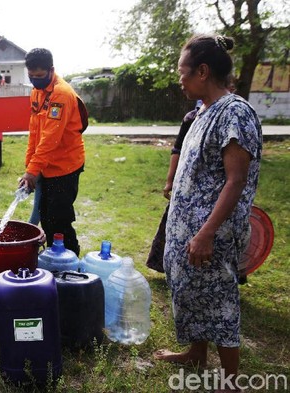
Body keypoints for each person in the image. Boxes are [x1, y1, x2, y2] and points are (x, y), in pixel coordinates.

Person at [154, 35, 262, 391]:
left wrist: (206, 233)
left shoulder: (235, 112)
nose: (180, 80)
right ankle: (195, 353)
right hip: (186, 226)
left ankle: (230, 381)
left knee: (219, 299)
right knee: (188, 290)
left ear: (203, 71)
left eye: (183, 73)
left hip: (212, 232)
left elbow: (236, 180)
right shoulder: (201, 111)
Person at [18, 48, 86, 254]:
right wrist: (30, 167)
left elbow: (50, 139)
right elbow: (34, 132)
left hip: (65, 167)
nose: (35, 80)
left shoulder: (61, 94)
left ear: (51, 70)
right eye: (31, 76)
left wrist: (32, 171)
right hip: (46, 166)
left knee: (59, 220)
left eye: (39, 76)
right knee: (46, 218)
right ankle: (54, 261)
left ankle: (70, 263)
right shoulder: (36, 93)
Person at [146, 100, 202, 273]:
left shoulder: (229, 114)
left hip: (206, 193)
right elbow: (177, 149)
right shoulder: (191, 118)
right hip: (184, 186)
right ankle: (169, 266)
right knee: (173, 228)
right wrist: (170, 180)